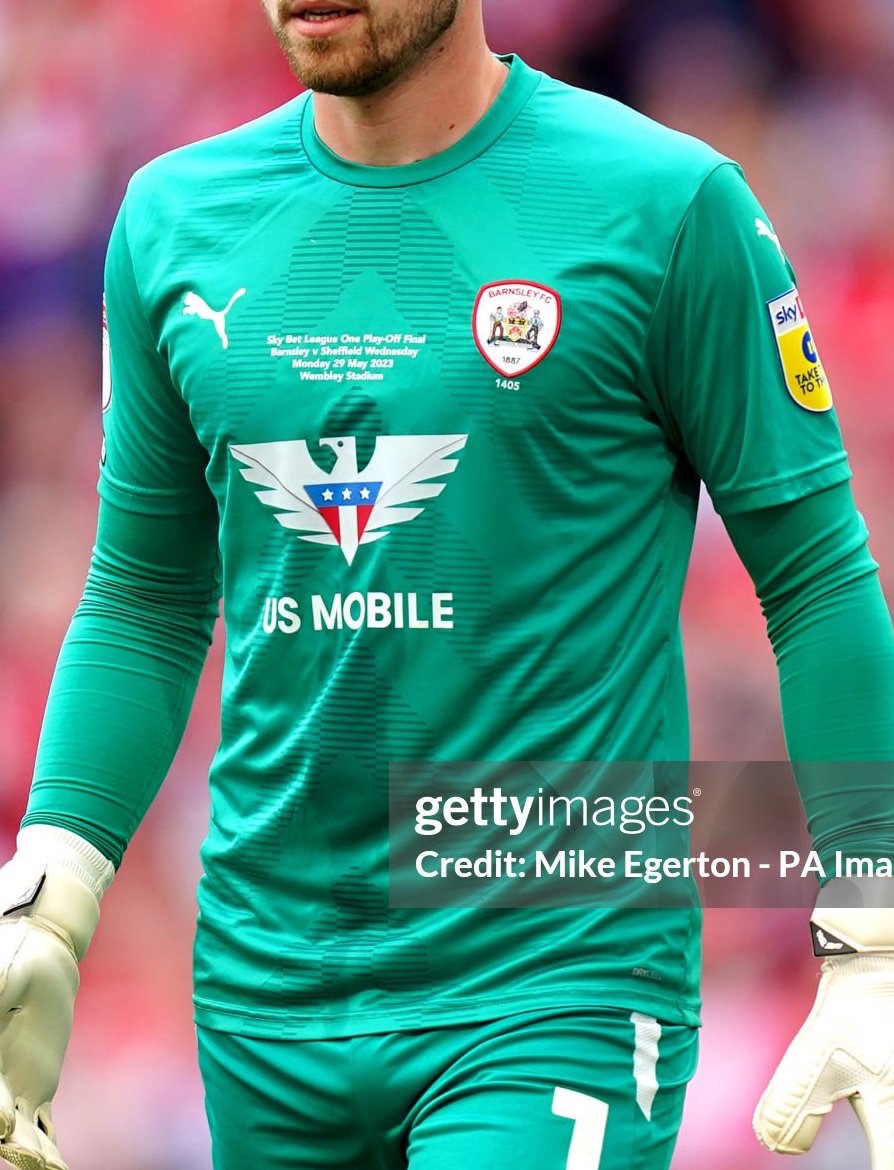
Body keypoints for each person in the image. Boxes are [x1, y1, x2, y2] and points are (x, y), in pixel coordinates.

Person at [2, 2, 894, 1168]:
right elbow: (145, 594)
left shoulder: (664, 204)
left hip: (554, 980)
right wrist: (53, 883)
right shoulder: (176, 217)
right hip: (268, 1000)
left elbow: (815, 577)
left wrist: (872, 914)